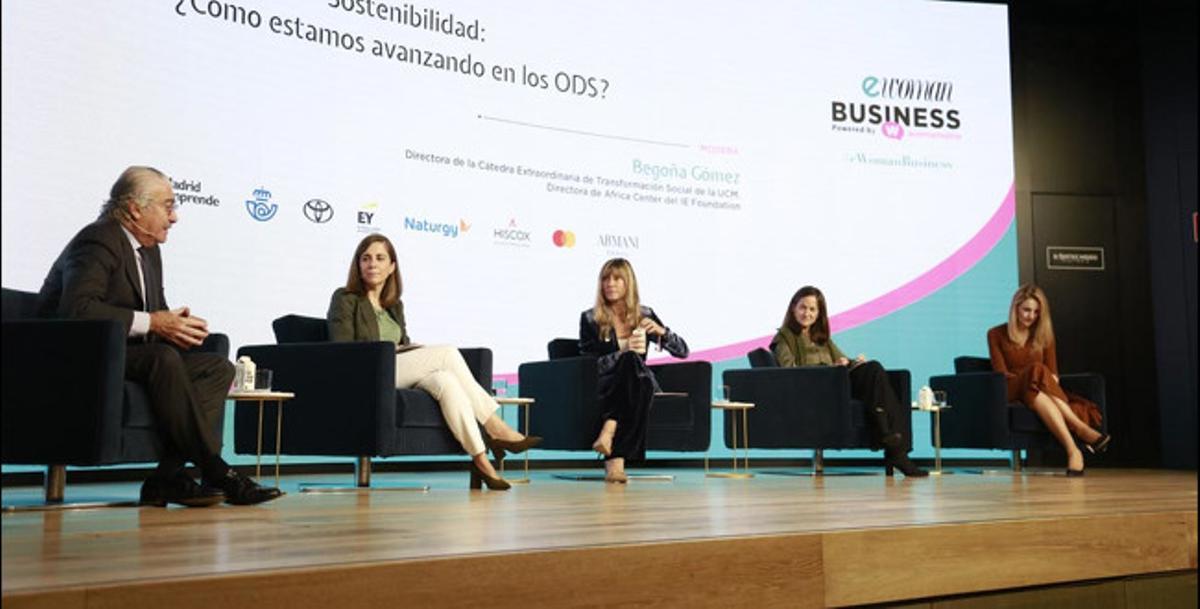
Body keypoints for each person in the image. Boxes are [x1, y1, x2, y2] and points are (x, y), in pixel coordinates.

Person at [36, 166, 282, 506]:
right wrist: (154, 323)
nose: (175, 217)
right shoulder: (98, 238)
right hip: (77, 357)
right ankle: (216, 469)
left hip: (128, 356)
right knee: (161, 358)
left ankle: (165, 479)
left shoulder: (149, 250)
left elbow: (156, 313)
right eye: (168, 205)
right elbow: (77, 310)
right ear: (136, 208)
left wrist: (176, 328)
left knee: (217, 368)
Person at [327, 234, 540, 490]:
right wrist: (387, 349)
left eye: (380, 258)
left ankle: (482, 462)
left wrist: (406, 348)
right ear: (358, 265)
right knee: (447, 353)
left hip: (396, 369)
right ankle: (495, 427)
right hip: (368, 373)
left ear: (392, 266)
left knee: (446, 381)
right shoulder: (345, 298)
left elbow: (402, 342)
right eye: (366, 258)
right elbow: (341, 348)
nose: (372, 263)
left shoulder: (394, 306)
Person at [770, 286, 928, 477]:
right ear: (793, 308)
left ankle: (891, 441)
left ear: (819, 313)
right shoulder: (783, 338)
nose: (807, 313)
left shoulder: (821, 338)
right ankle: (895, 451)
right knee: (873, 376)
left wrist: (852, 362)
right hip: (816, 388)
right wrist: (829, 367)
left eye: (813, 309)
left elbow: (842, 360)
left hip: (838, 383)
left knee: (873, 369)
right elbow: (791, 371)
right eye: (803, 307)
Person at [579, 258, 689, 483]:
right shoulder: (590, 319)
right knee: (632, 364)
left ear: (628, 283)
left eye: (617, 278)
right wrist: (624, 351)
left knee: (639, 378)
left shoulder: (644, 314)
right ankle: (614, 454)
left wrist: (662, 332)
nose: (610, 284)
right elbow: (590, 367)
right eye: (605, 279)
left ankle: (610, 436)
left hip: (637, 383)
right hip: (607, 384)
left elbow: (683, 352)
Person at [988, 284, 1108, 476]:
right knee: (1037, 369)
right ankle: (1079, 427)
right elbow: (1001, 373)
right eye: (1026, 310)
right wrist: (1031, 376)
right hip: (1009, 388)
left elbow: (1053, 376)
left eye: (1036, 312)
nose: (1031, 316)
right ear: (1015, 308)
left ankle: (1073, 451)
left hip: (1038, 389)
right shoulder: (995, 334)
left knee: (1036, 379)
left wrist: (1039, 381)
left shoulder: (1044, 335)